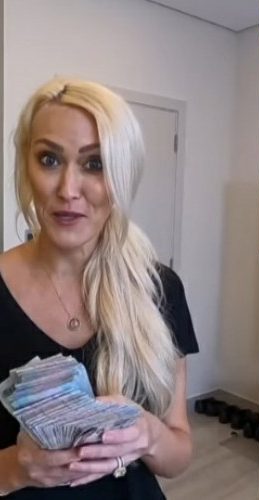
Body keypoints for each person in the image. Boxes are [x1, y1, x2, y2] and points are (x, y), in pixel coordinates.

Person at [0, 78, 199, 499]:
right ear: (26, 166)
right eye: (50, 159)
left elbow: (179, 454)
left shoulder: (159, 289)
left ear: (123, 175)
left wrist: (149, 434)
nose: (68, 190)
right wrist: (15, 468)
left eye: (95, 164)